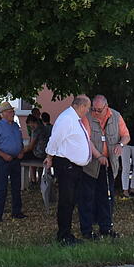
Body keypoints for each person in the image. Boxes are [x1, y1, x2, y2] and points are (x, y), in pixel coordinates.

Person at [44, 95, 94, 245]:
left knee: (72, 200)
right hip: (66, 165)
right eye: (87, 107)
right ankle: (63, 235)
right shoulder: (66, 119)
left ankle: (67, 233)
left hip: (74, 166)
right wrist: (49, 156)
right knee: (66, 200)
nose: (88, 111)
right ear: (81, 106)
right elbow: (55, 139)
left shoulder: (74, 119)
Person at [79, 95, 129, 239]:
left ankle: (106, 228)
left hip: (109, 164)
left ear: (106, 107)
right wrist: (98, 156)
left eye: (99, 110)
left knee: (107, 197)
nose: (95, 112)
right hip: (90, 164)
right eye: (93, 109)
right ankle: (87, 230)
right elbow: (86, 140)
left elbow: (126, 135)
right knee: (87, 198)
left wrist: (120, 145)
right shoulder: (87, 117)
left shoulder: (116, 116)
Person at [0, 101, 26, 221]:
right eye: (10, 111)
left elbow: (19, 141)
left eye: (13, 111)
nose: (13, 113)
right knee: (2, 187)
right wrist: (4, 155)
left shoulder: (15, 126)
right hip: (3, 160)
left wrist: (21, 151)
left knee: (17, 186)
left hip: (16, 160)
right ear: (3, 113)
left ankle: (16, 211)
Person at [119, 115, 134, 196]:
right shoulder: (124, 114)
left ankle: (133, 187)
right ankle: (125, 189)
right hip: (125, 143)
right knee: (126, 167)